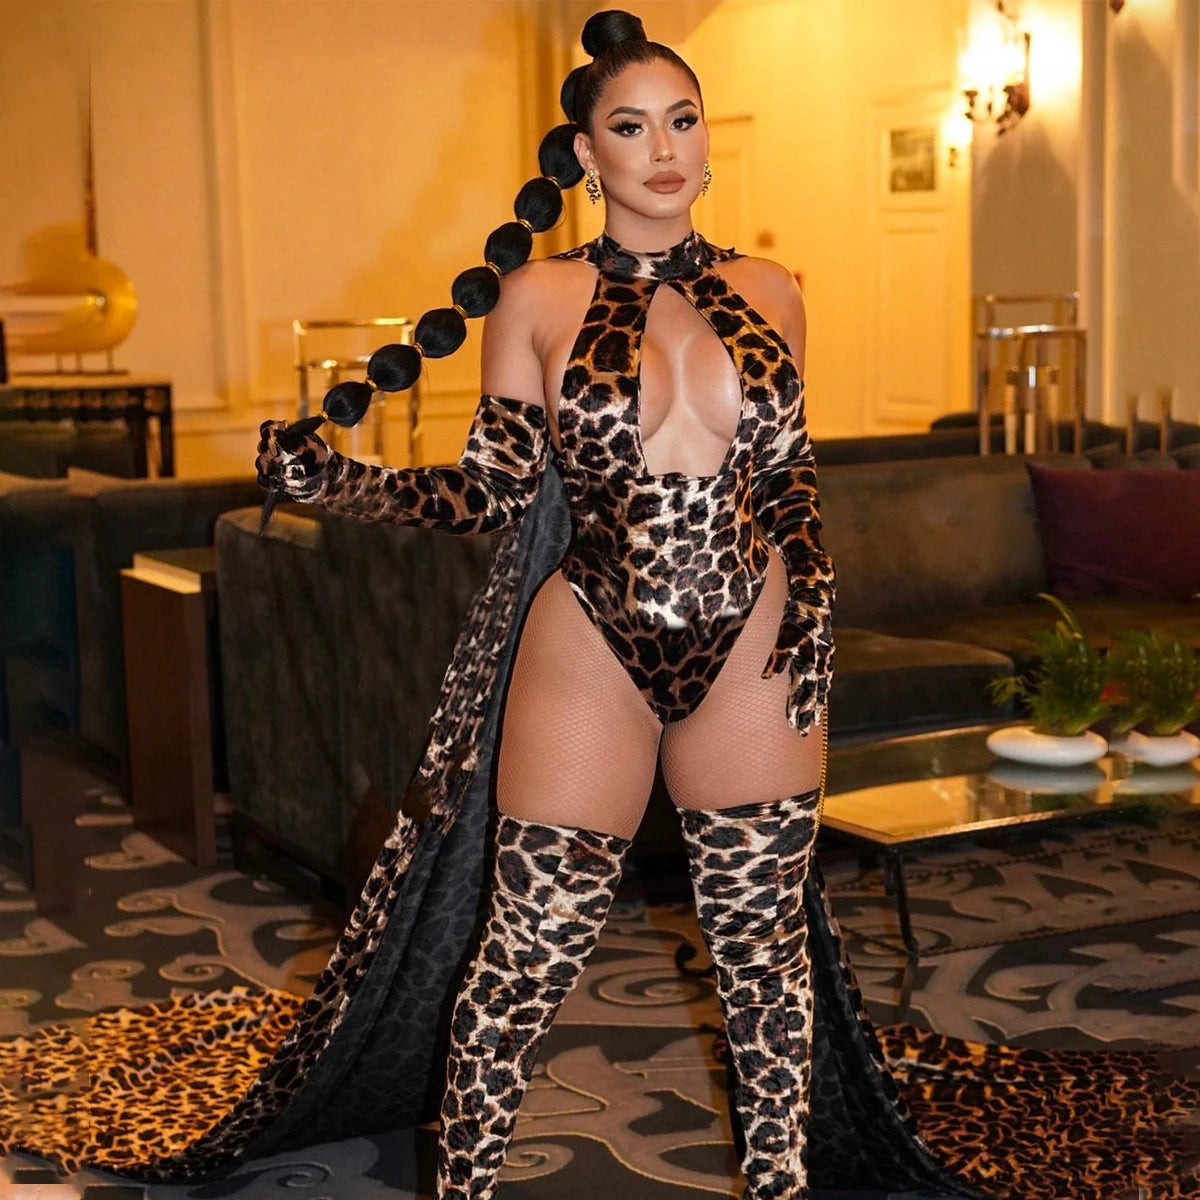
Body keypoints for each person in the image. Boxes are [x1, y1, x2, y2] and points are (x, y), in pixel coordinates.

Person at [0, 11, 1195, 1200]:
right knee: (528, 952)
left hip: (753, 636)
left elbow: (787, 477)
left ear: (708, 141)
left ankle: (780, 1189)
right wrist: (339, 484)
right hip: (593, 641)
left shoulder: (773, 290)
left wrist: (816, 605)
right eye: (631, 127)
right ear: (586, 153)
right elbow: (489, 491)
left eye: (683, 121)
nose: (663, 149)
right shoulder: (535, 297)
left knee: (764, 952)